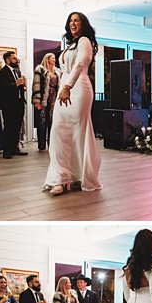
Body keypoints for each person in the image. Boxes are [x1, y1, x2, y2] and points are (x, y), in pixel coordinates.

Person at [43, 12, 102, 195]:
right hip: (65, 88)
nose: (73, 23)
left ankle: (78, 177)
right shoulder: (70, 45)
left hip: (79, 89)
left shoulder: (84, 41)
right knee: (58, 130)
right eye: (70, 21)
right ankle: (61, 177)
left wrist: (68, 86)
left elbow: (80, 64)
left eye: (76, 20)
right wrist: (63, 87)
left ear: (83, 24)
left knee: (78, 133)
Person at [0, 51, 27, 159]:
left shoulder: (17, 71)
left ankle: (14, 147)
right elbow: (2, 88)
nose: (16, 60)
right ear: (8, 60)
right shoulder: (2, 72)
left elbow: (20, 85)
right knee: (9, 126)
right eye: (14, 58)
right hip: (9, 104)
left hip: (19, 102)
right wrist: (15, 85)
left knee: (17, 126)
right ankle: (7, 150)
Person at [31, 52, 59, 153]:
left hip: (54, 99)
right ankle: (41, 145)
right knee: (42, 122)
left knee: (53, 122)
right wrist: (37, 100)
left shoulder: (57, 72)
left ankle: (52, 145)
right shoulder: (40, 69)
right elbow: (36, 85)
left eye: (54, 58)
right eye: (52, 58)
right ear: (47, 59)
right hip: (43, 98)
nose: (54, 60)